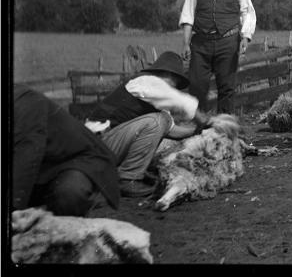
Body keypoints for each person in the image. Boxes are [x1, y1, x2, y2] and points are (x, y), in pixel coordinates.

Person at [85, 51, 212, 197]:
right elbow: (181, 101)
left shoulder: (156, 99)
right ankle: (128, 178)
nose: (173, 85)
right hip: (97, 144)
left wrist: (198, 130)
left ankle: (131, 171)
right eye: (173, 79)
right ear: (165, 75)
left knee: (161, 120)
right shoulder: (144, 82)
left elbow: (170, 130)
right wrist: (202, 119)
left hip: (107, 146)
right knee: (157, 120)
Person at [13, 86, 120, 216]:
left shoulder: (26, 101)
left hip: (77, 159)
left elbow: (27, 157)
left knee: (69, 193)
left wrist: (14, 208)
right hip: (44, 165)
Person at [179, 0, 257, 113]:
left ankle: (223, 129)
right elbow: (187, 16)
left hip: (228, 41)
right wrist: (185, 43)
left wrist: (245, 36)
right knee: (197, 87)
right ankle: (200, 128)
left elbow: (248, 13)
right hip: (201, 43)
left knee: (226, 87)